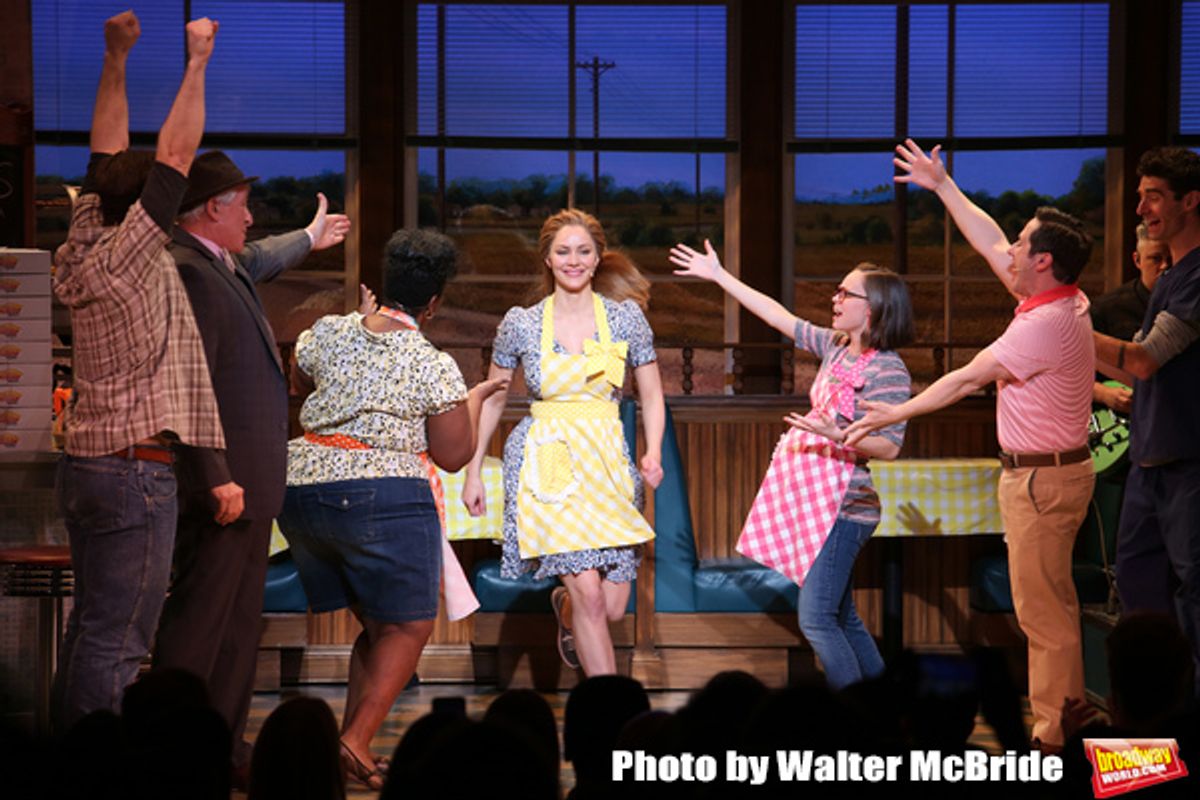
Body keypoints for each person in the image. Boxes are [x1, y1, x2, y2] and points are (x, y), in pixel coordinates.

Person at [847, 139, 1096, 751]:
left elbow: (964, 379)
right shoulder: (1054, 296)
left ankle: (1053, 738)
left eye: (1023, 243)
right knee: (1050, 610)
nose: (1010, 249)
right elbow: (989, 240)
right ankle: (1062, 723)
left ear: (1043, 262)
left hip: (1043, 480)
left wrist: (896, 411)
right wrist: (943, 186)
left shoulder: (1044, 324)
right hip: (1046, 475)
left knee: (1044, 616)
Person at [276, 229, 504, 789]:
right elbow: (452, 456)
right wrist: (473, 398)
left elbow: (299, 376)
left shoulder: (330, 331)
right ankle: (353, 742)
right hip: (377, 495)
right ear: (434, 303)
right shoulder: (430, 362)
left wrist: (354, 335)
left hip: (302, 493)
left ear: (381, 285)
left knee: (381, 625)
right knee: (408, 625)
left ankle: (352, 746)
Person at [50, 12, 225, 731]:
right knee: (119, 643)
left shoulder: (84, 239)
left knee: (92, 630)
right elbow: (176, 156)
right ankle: (98, 773)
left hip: (89, 467)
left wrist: (115, 57)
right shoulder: (128, 252)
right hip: (132, 472)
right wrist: (197, 62)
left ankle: (71, 758)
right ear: (142, 210)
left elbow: (104, 154)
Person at [152, 150, 351, 775]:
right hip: (225, 482)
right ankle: (174, 752)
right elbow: (191, 387)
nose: (251, 217)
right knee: (200, 622)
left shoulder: (222, 262)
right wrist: (214, 475)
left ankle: (223, 746)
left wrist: (310, 236)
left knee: (238, 627)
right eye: (242, 206)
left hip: (251, 482)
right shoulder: (187, 271)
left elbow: (262, 256)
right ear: (212, 208)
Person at [670, 242, 914, 690]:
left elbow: (890, 446)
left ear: (874, 308)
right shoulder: (836, 346)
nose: (835, 299)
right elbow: (777, 316)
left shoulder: (889, 369)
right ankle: (886, 707)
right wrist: (720, 276)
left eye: (846, 293)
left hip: (845, 507)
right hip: (814, 498)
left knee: (817, 619)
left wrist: (838, 434)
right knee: (842, 617)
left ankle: (852, 717)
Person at [463, 209, 665, 676]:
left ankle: (565, 606)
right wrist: (474, 469)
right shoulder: (522, 323)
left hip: (607, 463)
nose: (573, 260)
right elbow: (494, 400)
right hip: (547, 460)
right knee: (590, 596)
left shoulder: (624, 319)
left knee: (610, 607)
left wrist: (652, 450)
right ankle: (610, 709)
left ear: (597, 259)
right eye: (563, 252)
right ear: (548, 260)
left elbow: (652, 394)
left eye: (583, 251)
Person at [1091, 146, 1200, 694]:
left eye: (1153, 196)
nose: (1141, 209)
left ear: (1191, 200)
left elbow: (1145, 359)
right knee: (1136, 586)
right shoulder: (1172, 278)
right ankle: (1151, 710)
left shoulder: (1197, 277)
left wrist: (1067, 325)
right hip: (1148, 461)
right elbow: (1133, 370)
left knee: (1193, 593)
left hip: (1188, 463)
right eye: (1140, 197)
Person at [1090, 222, 1171, 414]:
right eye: (1156, 259)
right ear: (1137, 260)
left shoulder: (1189, 306)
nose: (1165, 266)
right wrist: (1103, 393)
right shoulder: (1106, 309)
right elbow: (1069, 374)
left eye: (1172, 259)